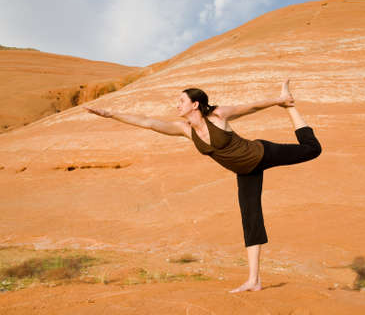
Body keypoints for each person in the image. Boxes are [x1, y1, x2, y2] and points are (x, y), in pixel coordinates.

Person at [83, 79, 321, 293]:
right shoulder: (185, 130)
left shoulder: (218, 115)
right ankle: (253, 280)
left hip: (262, 152)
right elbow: (148, 123)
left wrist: (280, 101)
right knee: (251, 221)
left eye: (181, 101)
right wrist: (109, 114)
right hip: (245, 172)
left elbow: (252, 107)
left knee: (312, 150)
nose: (177, 105)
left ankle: (292, 109)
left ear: (195, 104)